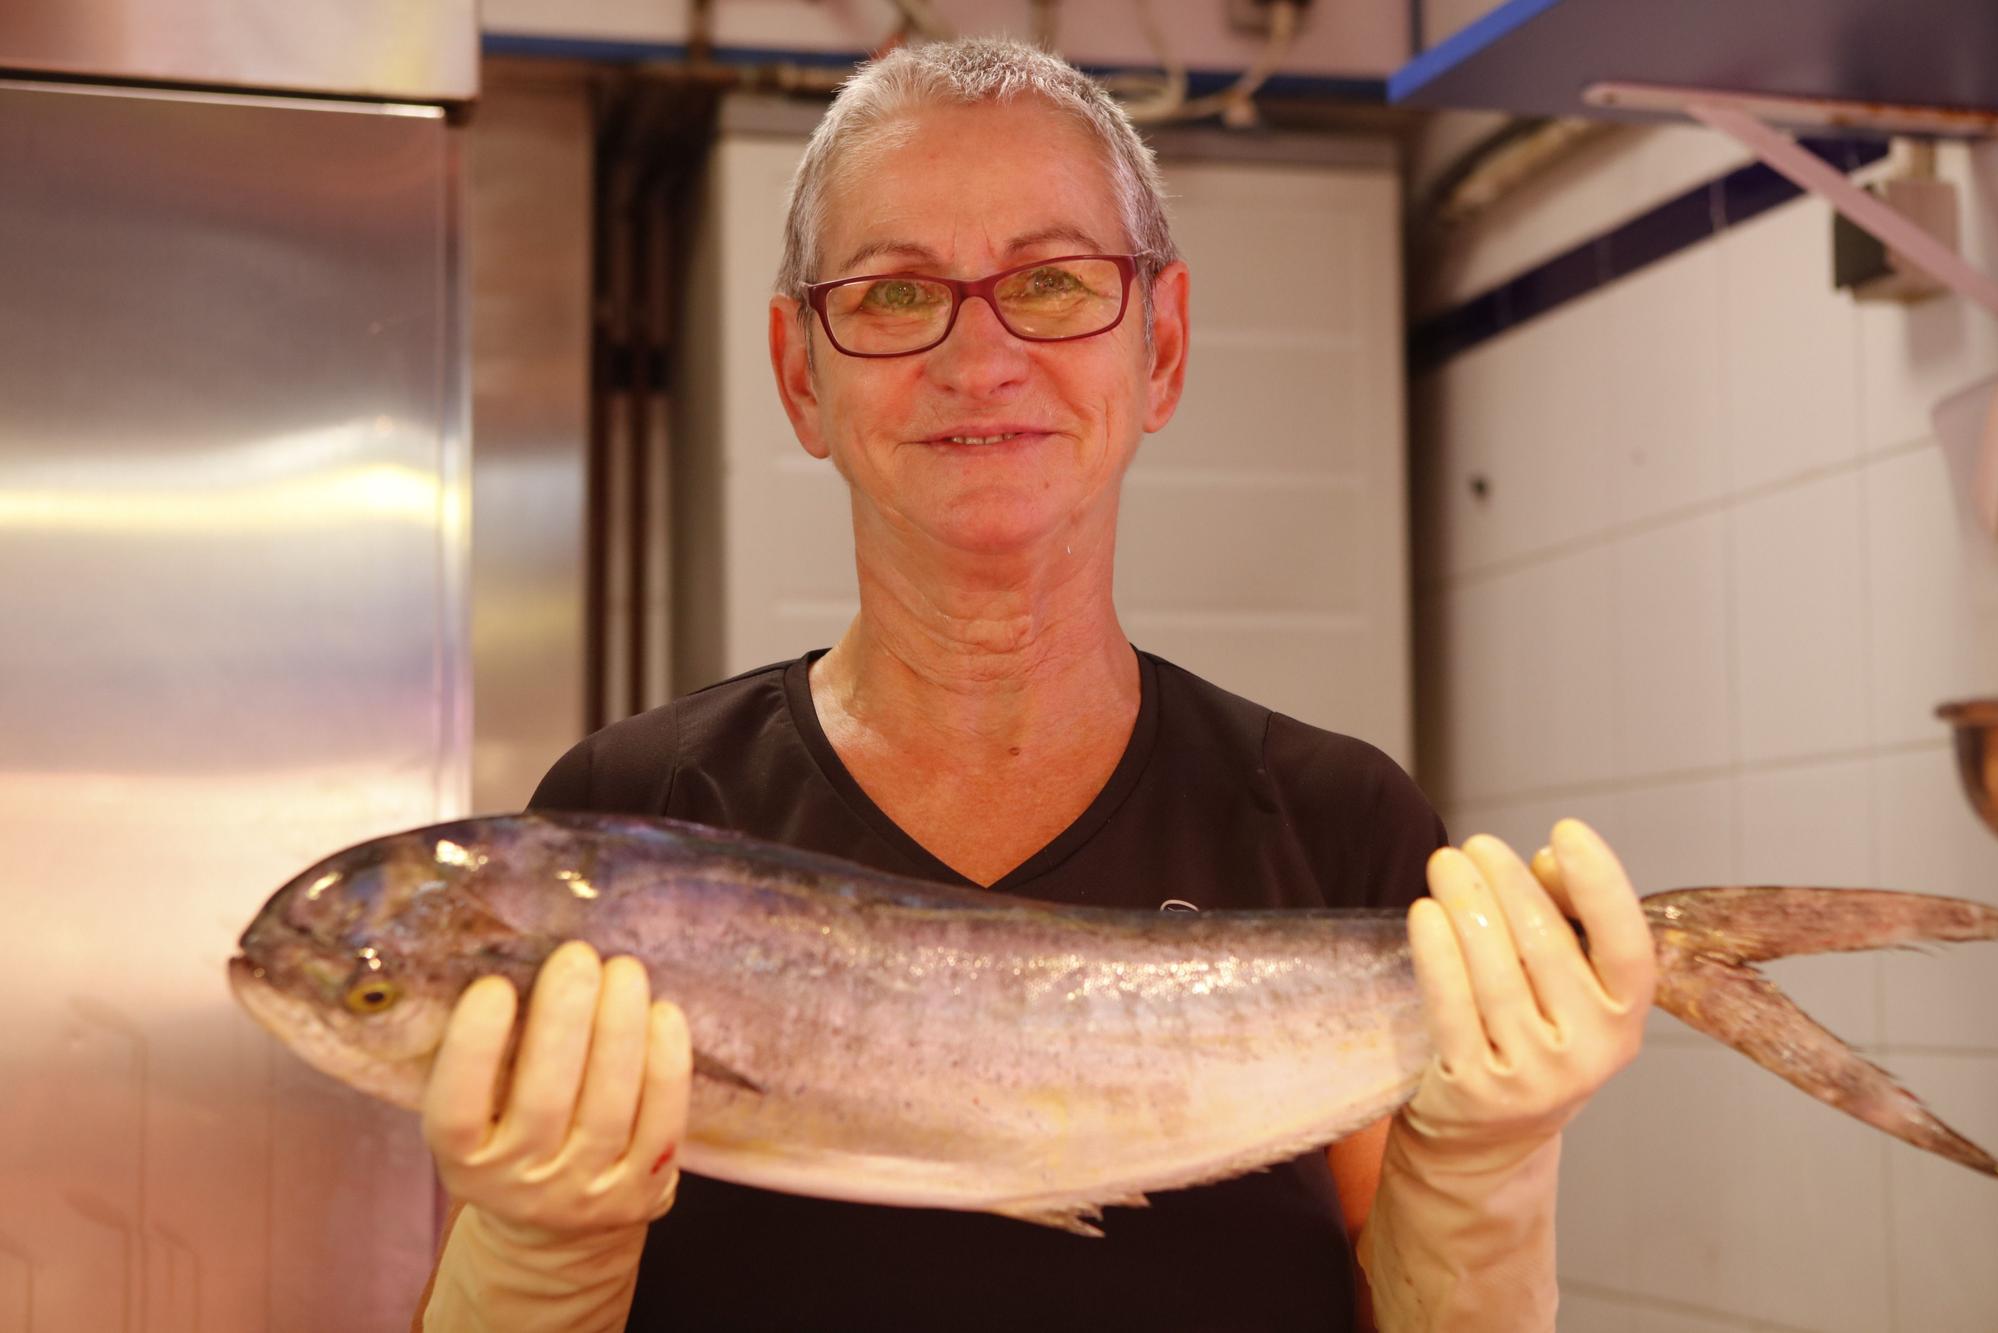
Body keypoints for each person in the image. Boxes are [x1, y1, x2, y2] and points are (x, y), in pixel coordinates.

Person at [413, 36, 1655, 1333]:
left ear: (1161, 347)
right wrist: (537, 1249)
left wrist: (1481, 1176)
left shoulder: (1338, 821)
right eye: (894, 294)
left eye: (1053, 281)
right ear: (800, 374)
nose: (979, 355)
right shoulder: (624, 812)